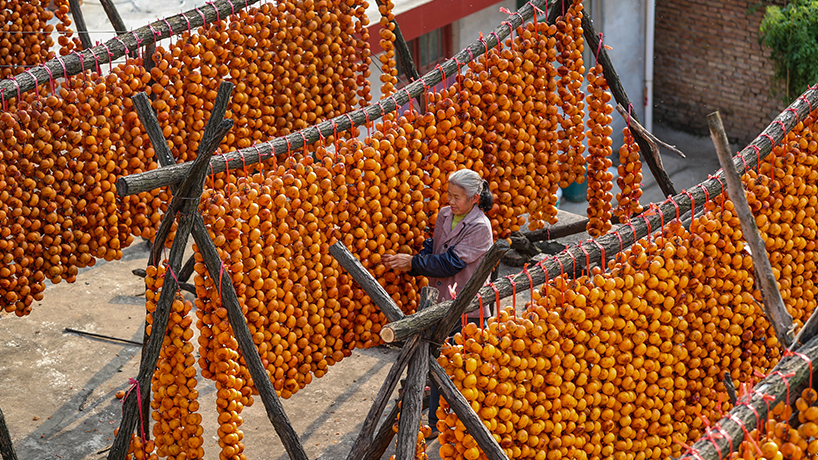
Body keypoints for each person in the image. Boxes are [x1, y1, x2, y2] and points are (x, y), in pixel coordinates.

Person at [382, 168, 495, 439]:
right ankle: (435, 424)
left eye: (457, 197)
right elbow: (436, 247)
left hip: (467, 308)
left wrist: (413, 263)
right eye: (449, 194)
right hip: (440, 303)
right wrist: (418, 257)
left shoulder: (480, 227)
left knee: (459, 369)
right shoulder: (445, 215)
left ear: (474, 199)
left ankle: (459, 427)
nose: (451, 201)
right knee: (437, 364)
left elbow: (450, 263)